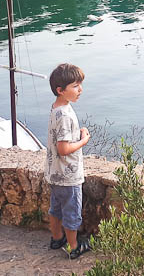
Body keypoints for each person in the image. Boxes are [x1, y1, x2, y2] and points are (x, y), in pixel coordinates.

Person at [46, 63, 91, 259]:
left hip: (54, 172)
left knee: (55, 209)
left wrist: (76, 135)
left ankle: (57, 238)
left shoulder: (57, 107)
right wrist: (83, 140)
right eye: (75, 86)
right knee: (72, 213)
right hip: (68, 175)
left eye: (80, 84)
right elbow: (63, 149)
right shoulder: (65, 115)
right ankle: (74, 247)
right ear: (60, 90)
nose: (80, 89)